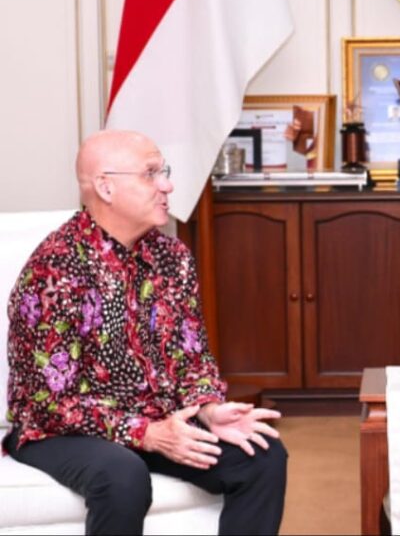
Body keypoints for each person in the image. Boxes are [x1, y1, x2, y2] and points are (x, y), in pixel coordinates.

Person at [3, 130, 288, 535]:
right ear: (106, 187)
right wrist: (146, 434)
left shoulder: (172, 256)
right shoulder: (55, 269)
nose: (167, 185)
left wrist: (208, 408)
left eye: (163, 172)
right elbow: (50, 403)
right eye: (151, 174)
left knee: (262, 455)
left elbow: (191, 357)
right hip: (57, 431)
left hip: (157, 422)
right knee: (122, 476)